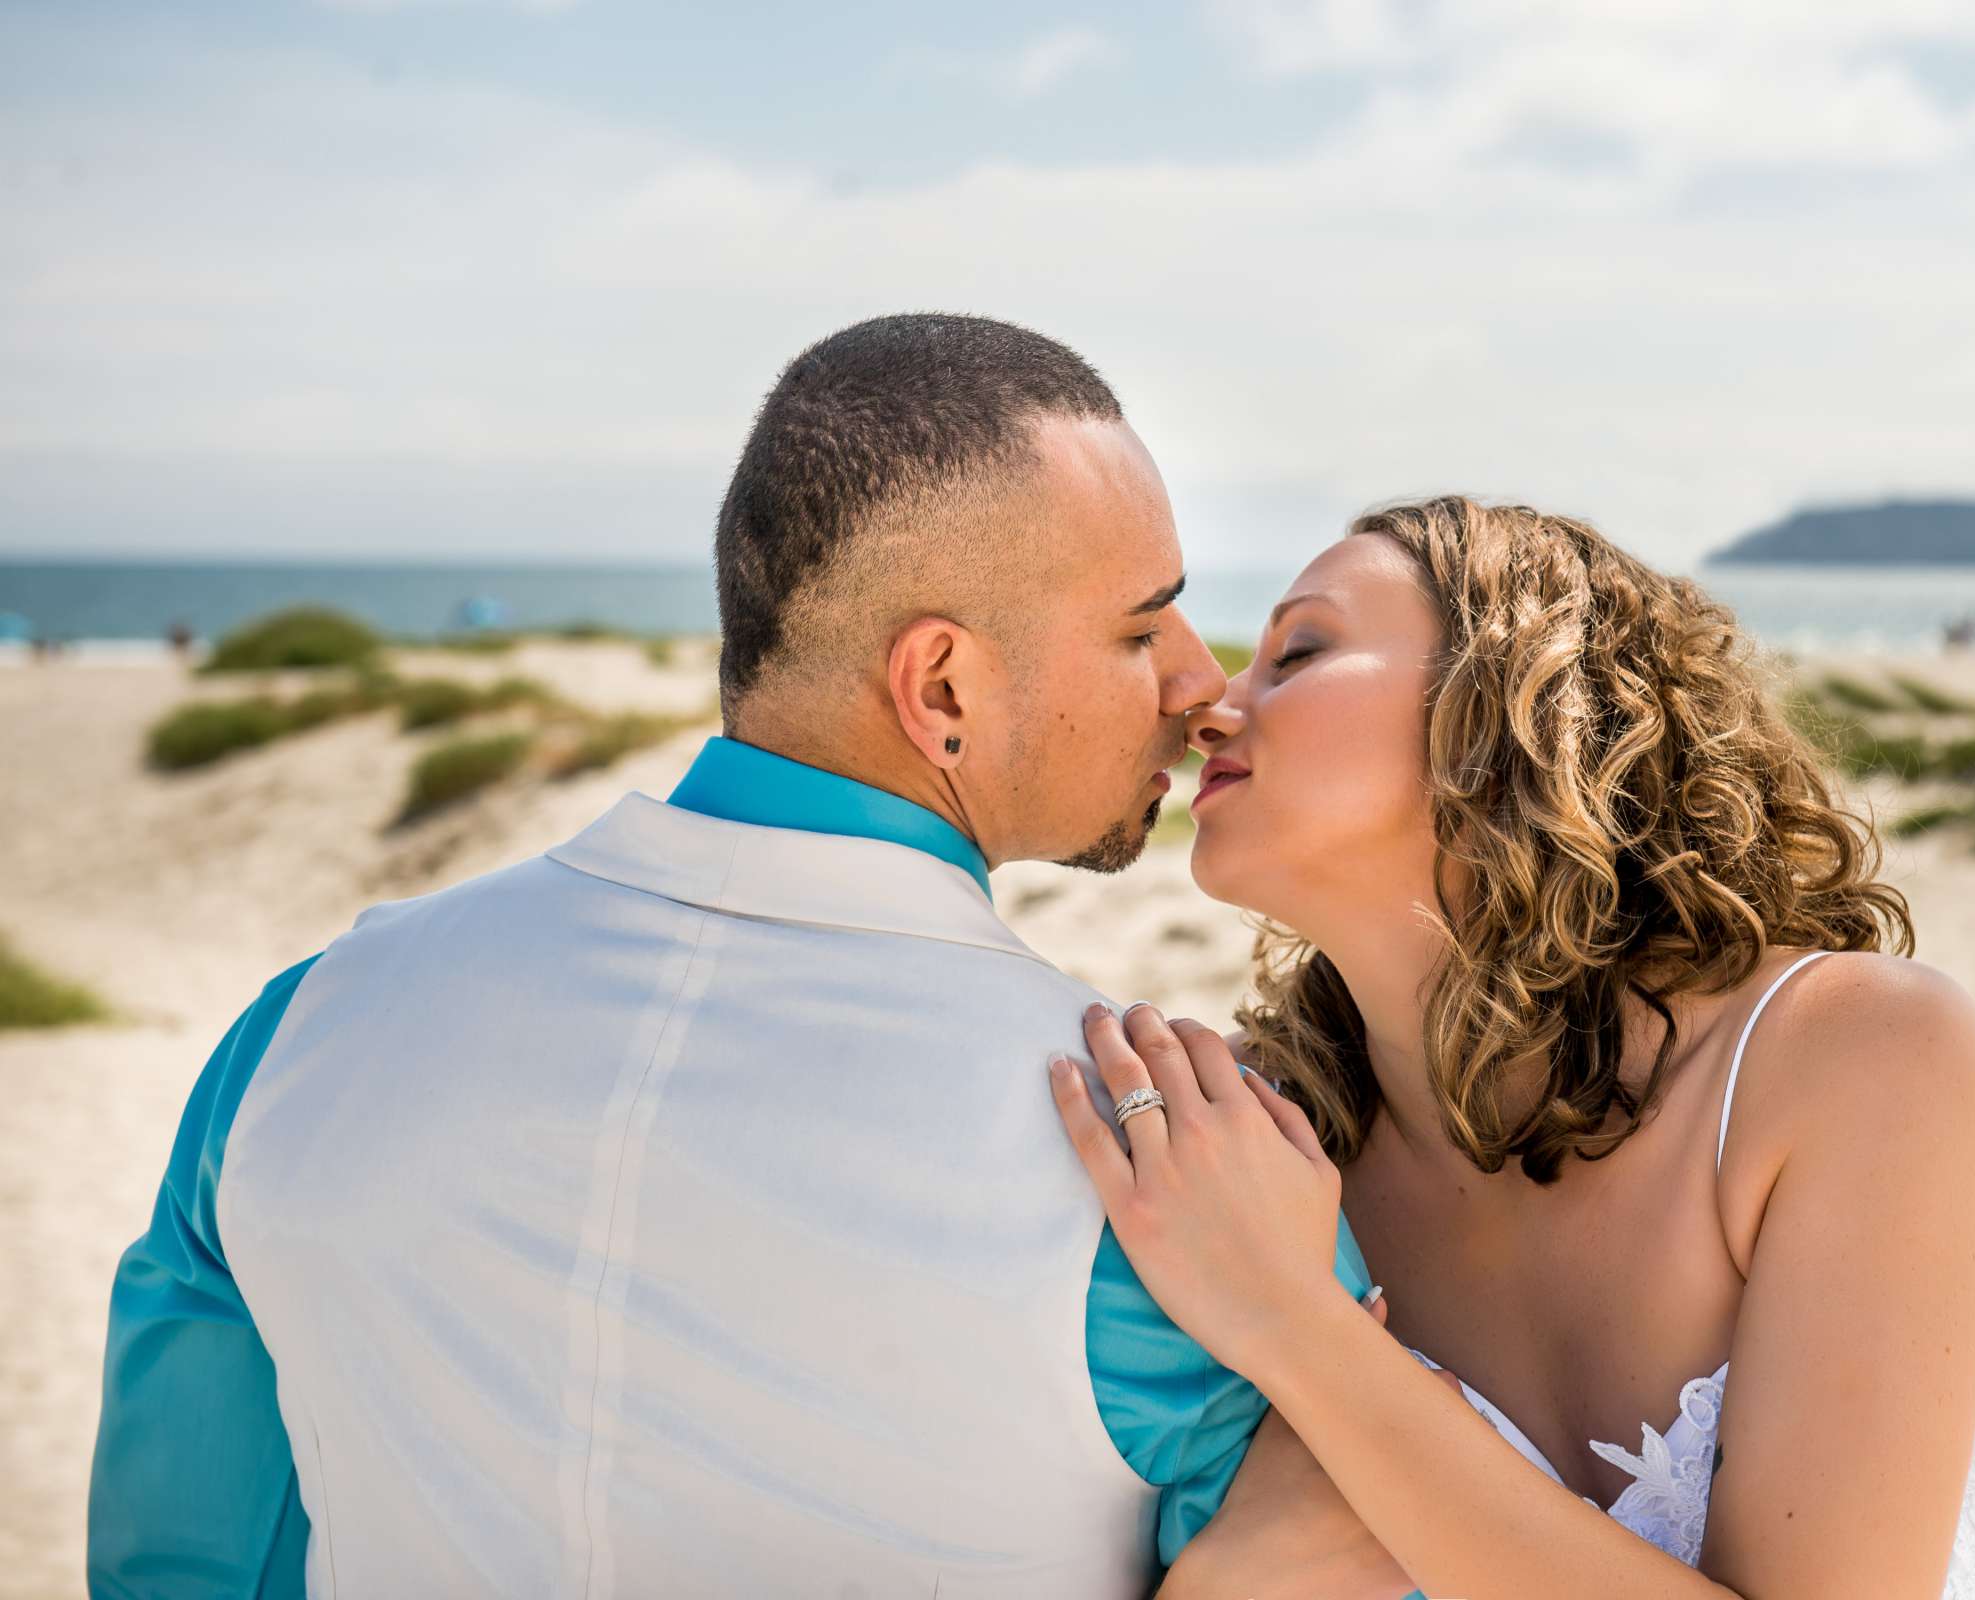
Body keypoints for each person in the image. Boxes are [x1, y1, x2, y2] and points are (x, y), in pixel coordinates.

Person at [86, 314, 1375, 1597]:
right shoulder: (1175, 1171)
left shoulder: (296, 1035)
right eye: (1141, 628)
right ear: (940, 690)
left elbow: (182, 1564)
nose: (1200, 682)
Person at [1048, 497, 1975, 1598]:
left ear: (1507, 714)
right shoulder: (1265, 1155)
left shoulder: (1851, 1056)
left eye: (1299, 651)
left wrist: (1298, 1329)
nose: (1211, 702)